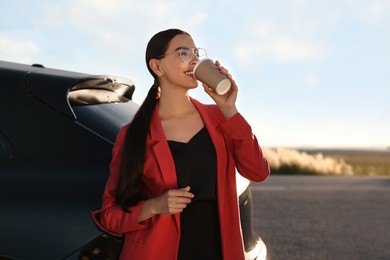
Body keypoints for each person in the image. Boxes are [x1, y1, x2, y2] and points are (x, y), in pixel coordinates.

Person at [98, 28, 270, 260]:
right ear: (157, 67)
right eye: (183, 53)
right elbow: (110, 215)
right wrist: (155, 206)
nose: (194, 60)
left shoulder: (220, 117)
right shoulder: (133, 135)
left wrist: (229, 109)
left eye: (195, 53)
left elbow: (258, 172)